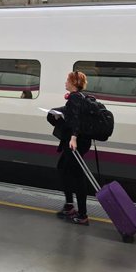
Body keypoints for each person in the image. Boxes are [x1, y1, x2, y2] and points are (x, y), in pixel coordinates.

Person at [53, 70, 92, 226]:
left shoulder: (75, 98)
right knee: (63, 168)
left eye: (67, 80)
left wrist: (74, 138)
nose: (65, 82)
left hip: (74, 143)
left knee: (77, 177)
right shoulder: (80, 98)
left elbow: (75, 120)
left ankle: (82, 215)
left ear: (74, 83)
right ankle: (69, 205)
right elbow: (74, 117)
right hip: (76, 142)